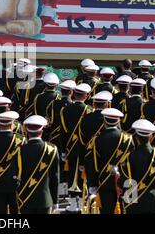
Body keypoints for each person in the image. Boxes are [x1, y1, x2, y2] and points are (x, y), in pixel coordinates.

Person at [85, 108, 134, 214]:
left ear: (104, 120)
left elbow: (93, 164)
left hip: (104, 182)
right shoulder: (129, 139)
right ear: (118, 121)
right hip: (125, 182)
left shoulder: (98, 139)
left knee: (106, 210)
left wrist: (92, 184)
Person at [119, 119, 155, 214]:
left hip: (134, 203)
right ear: (151, 137)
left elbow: (125, 182)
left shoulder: (129, 156)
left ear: (136, 136)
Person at [16, 115, 59, 214]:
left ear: (27, 131)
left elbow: (15, 176)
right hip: (45, 200)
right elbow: (55, 177)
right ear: (42, 131)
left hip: (24, 198)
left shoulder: (19, 150)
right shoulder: (52, 149)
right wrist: (55, 201)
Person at [60, 83, 92, 213]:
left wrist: (63, 150)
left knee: (71, 173)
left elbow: (63, 132)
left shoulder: (65, 109)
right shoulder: (90, 111)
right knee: (83, 176)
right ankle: (82, 203)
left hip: (70, 148)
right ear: (87, 96)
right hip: (85, 148)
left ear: (73, 94)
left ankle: (73, 205)